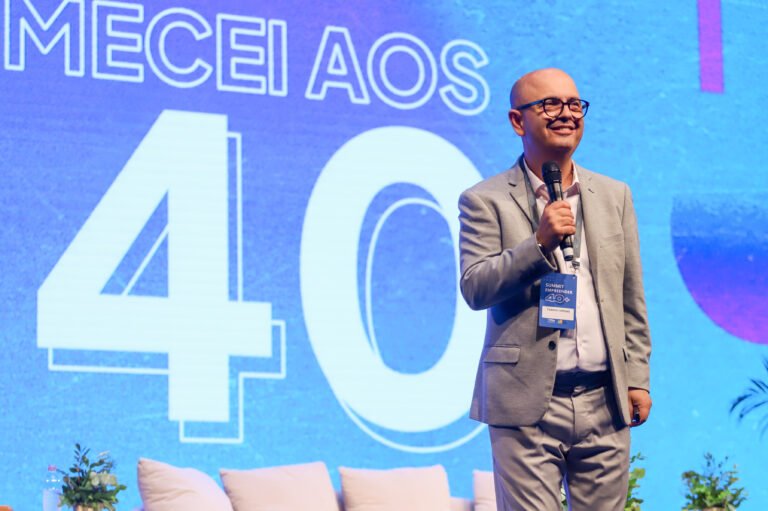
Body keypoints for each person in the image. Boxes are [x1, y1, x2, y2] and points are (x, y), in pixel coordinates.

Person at [458, 68, 652, 511]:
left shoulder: (615, 195)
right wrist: (539, 244)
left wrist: (637, 379)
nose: (566, 113)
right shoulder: (485, 199)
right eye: (550, 104)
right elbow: (475, 287)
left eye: (573, 104)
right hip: (525, 401)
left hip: (605, 398)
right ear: (517, 121)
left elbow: (631, 299)